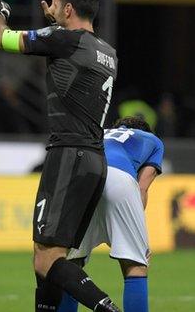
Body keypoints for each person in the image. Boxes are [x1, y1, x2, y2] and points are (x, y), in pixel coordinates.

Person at [0, 0, 120, 311]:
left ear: (68, 8)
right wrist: (57, 24)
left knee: (45, 261)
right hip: (95, 159)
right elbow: (68, 51)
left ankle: (107, 308)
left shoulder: (62, 39)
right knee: (53, 257)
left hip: (68, 156)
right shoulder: (107, 52)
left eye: (61, 7)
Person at [57, 116, 163, 312]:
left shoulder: (102, 132)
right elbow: (142, 188)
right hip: (118, 177)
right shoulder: (152, 140)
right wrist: (138, 237)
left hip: (82, 177)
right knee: (135, 264)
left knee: (72, 262)